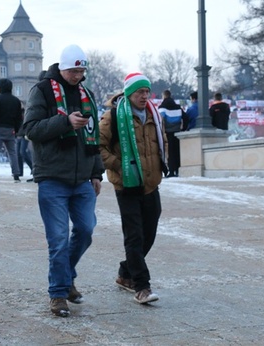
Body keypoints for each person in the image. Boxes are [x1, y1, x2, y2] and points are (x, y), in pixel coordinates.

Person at [23, 44, 104, 317]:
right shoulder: (42, 90)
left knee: (86, 230)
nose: (78, 76)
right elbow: (30, 129)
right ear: (62, 67)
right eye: (74, 70)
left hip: (82, 178)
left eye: (82, 71)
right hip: (52, 177)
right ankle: (58, 293)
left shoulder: (87, 94)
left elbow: (93, 137)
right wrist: (65, 122)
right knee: (57, 239)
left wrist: (96, 172)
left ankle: (66, 277)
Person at [99, 72, 168, 305]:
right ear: (129, 93)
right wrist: (119, 165)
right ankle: (142, 286)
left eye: (147, 91)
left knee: (149, 233)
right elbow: (98, 145)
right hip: (126, 184)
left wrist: (162, 162)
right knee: (134, 236)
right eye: (140, 92)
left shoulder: (154, 114)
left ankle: (125, 271)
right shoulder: (114, 116)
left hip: (150, 184)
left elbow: (162, 141)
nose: (145, 96)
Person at [158, 89, 187, 177]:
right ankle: (178, 170)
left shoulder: (162, 108)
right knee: (177, 151)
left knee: (170, 152)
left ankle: (171, 171)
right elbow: (185, 118)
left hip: (167, 133)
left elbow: (159, 120)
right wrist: (183, 129)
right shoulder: (178, 107)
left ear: (163, 96)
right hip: (177, 132)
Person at [16, 103, 34, 182]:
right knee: (18, 154)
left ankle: (32, 169)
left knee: (22, 152)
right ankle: (20, 171)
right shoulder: (16, 114)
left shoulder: (26, 113)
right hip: (18, 135)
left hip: (24, 135)